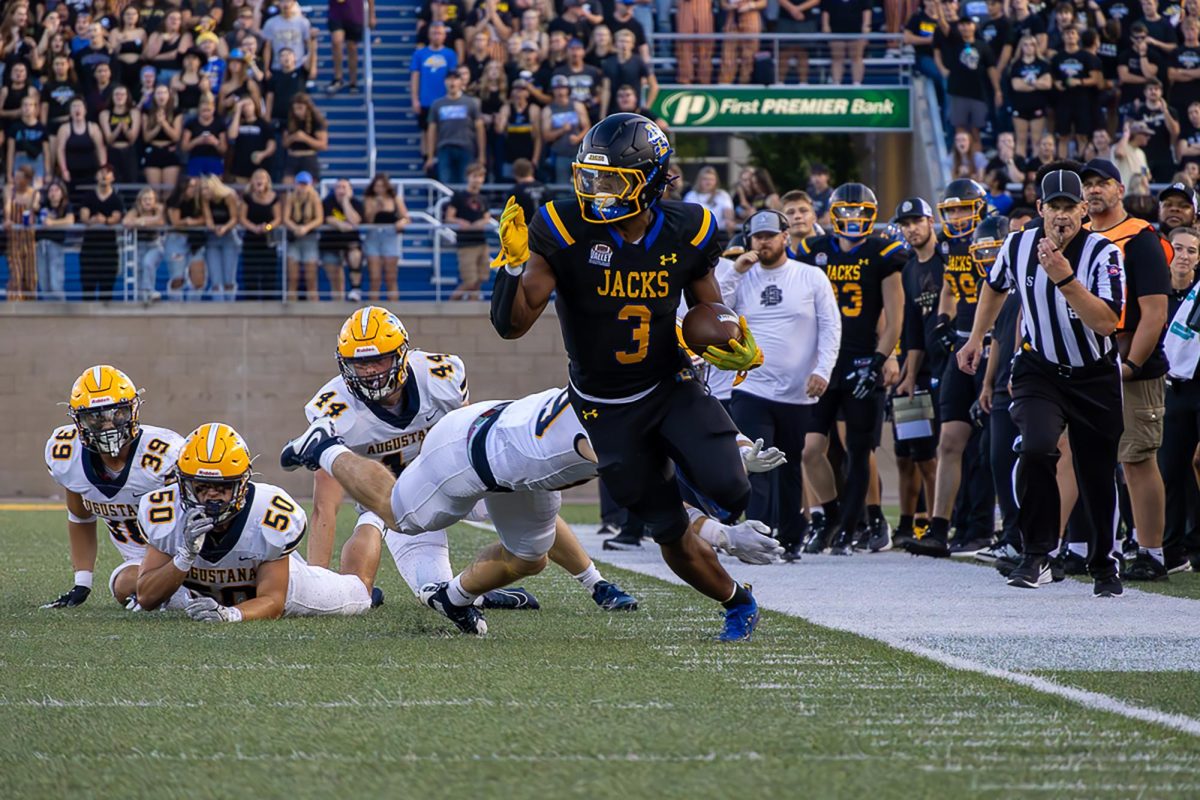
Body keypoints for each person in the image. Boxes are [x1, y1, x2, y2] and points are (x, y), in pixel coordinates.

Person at [487, 113, 767, 641]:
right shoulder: (564, 226)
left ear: (652, 179)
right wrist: (510, 266)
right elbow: (512, 327)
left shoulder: (689, 228)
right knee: (667, 530)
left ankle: (699, 472)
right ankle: (737, 601)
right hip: (603, 405)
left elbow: (711, 311)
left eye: (612, 178)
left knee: (732, 490)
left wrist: (732, 340)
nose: (597, 190)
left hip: (669, 384)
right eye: (591, 177)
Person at [293, 306, 637, 618]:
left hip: (455, 474)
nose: (369, 372)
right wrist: (318, 582)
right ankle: (467, 594)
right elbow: (325, 506)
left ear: (401, 354)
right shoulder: (333, 408)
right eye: (358, 363)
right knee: (429, 588)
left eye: (379, 360)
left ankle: (596, 582)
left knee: (523, 494)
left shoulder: (439, 376)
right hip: (395, 494)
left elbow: (468, 435)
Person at [959, 169, 1126, 596]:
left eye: (1070, 206)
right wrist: (977, 337)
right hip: (1040, 367)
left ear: (1084, 210)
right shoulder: (1016, 245)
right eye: (1054, 206)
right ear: (1041, 210)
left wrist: (1065, 280)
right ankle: (1037, 553)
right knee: (1034, 449)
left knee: (1095, 470)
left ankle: (1104, 561)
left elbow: (1107, 323)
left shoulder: (1103, 252)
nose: (1062, 215)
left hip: (1094, 372)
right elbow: (994, 286)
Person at [135, 423, 376, 620]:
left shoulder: (266, 511)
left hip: (278, 583)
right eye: (201, 486)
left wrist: (230, 615)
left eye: (222, 487)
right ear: (183, 484)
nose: (211, 495)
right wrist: (184, 555)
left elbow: (273, 602)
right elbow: (146, 598)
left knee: (359, 595)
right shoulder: (164, 510)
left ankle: (372, 518)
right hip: (209, 590)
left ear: (241, 485)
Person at [719, 210, 841, 554]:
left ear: (785, 237)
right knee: (757, 463)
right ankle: (758, 535)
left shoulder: (810, 276)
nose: (764, 242)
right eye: (758, 236)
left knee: (789, 466)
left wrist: (823, 371)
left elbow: (831, 326)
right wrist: (735, 271)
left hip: (798, 390)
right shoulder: (741, 275)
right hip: (751, 386)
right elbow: (716, 310)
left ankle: (790, 537)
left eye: (771, 235)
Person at [796, 183, 906, 556]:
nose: (853, 220)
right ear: (833, 214)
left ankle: (850, 527)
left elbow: (895, 315)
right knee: (811, 448)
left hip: (861, 358)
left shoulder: (883, 251)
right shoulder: (813, 251)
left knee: (859, 449)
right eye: (846, 212)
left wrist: (879, 359)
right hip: (824, 361)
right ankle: (828, 518)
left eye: (860, 213)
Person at [1080, 158, 1173, 581]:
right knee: (1079, 457)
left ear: (1120, 189)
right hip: (1086, 361)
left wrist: (1132, 363)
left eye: (1102, 183)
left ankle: (1152, 552)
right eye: (1088, 185)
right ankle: (1081, 545)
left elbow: (1154, 311)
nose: (1094, 191)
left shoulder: (1140, 239)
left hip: (1128, 357)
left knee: (1136, 458)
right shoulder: (1079, 238)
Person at [41, 366, 186, 609]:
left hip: (184, 553)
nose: (108, 426)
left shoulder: (165, 453)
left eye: (117, 414)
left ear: (133, 410)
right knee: (123, 585)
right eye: (95, 418)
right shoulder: (67, 456)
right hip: (139, 562)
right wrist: (82, 583)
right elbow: (80, 517)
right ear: (79, 420)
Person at [907, 178, 993, 557]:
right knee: (949, 439)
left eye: (963, 208)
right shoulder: (949, 243)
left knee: (988, 443)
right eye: (952, 209)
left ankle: (982, 527)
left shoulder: (994, 234)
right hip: (961, 344)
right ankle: (940, 527)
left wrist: (979, 333)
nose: (957, 216)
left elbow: (1001, 290)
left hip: (991, 344)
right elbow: (948, 285)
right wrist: (943, 319)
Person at [972, 213, 1025, 572]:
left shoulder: (1029, 276)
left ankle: (1030, 537)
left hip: (1028, 377)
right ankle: (1011, 536)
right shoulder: (999, 287)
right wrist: (987, 382)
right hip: (1004, 378)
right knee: (998, 460)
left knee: (1028, 462)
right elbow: (999, 337)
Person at [892, 196, 945, 548]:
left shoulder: (947, 260)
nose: (912, 229)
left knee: (942, 450)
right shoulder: (910, 268)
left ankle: (939, 521)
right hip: (921, 369)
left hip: (949, 364)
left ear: (930, 221)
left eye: (917, 221)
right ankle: (909, 523)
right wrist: (908, 376)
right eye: (905, 224)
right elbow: (911, 328)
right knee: (915, 451)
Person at [1160, 225, 1200, 572]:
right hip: (1172, 387)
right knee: (1169, 469)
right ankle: (1170, 550)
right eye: (1178, 248)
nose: (1184, 256)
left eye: (1191, 250)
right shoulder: (1153, 292)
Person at [936, 15, 1000, 141]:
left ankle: (976, 158)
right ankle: (961, 159)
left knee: (975, 132)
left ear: (974, 26)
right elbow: (943, 25)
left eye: (968, 24)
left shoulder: (983, 46)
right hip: (957, 93)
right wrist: (938, 7)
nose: (965, 27)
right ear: (958, 27)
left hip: (978, 94)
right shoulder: (954, 42)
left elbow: (991, 68)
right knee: (960, 131)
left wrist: (997, 90)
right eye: (962, 24)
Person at [426, 71, 485, 185]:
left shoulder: (471, 103)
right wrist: (430, 156)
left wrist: (482, 154)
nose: (452, 82)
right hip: (444, 148)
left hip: (466, 147)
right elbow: (432, 130)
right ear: (445, 82)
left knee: (465, 181)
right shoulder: (437, 104)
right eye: (449, 79)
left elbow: (480, 129)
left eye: (455, 79)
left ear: (460, 82)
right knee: (445, 183)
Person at [445, 162, 491, 300]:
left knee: (480, 278)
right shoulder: (458, 196)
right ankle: (450, 304)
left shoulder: (484, 198)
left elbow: (486, 217)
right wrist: (460, 222)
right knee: (469, 281)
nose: (477, 180)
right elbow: (449, 217)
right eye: (474, 176)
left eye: (480, 176)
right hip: (466, 243)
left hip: (481, 242)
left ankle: (473, 305)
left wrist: (480, 223)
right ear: (468, 177)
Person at [78, 164, 124, 300]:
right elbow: (84, 216)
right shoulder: (88, 196)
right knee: (87, 289)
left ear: (113, 177)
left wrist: (105, 220)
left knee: (107, 289)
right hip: (89, 248)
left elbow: (116, 217)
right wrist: (91, 220)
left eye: (108, 173)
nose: (104, 175)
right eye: (101, 172)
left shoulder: (117, 199)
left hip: (108, 249)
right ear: (96, 176)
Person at [363, 174, 411, 302]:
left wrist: (402, 222)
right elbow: (367, 220)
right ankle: (373, 308)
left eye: (382, 186)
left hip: (390, 236)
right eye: (377, 186)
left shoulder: (395, 198)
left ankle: (394, 308)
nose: (379, 189)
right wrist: (375, 209)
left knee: (391, 276)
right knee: (375, 277)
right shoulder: (369, 199)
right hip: (373, 235)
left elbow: (406, 217)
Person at [239, 168, 282, 300]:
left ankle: (269, 302)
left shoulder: (274, 197)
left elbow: (278, 218)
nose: (259, 180)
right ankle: (250, 302)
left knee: (269, 272)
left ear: (267, 181)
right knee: (250, 272)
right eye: (256, 177)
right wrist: (253, 228)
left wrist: (268, 227)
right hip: (251, 238)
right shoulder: (247, 198)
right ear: (252, 181)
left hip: (268, 239)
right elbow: (242, 218)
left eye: (262, 177)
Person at [1008, 34, 1052, 158]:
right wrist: (1037, 83)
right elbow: (1017, 86)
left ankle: (1035, 168)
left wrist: (1028, 82)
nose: (1028, 47)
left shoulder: (1043, 64)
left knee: (1036, 140)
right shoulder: (1016, 65)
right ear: (1021, 47)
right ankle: (1021, 166)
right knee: (1020, 139)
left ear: (1036, 46)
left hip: (1038, 105)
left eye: (1032, 44)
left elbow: (1047, 84)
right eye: (1025, 45)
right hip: (1020, 105)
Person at [165, 175, 208, 300]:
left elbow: (206, 219)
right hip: (177, 239)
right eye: (191, 186)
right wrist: (189, 222)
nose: (194, 189)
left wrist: (191, 222)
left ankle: (194, 310)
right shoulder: (174, 200)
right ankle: (176, 308)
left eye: (196, 187)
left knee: (198, 279)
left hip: (196, 240)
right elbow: (176, 223)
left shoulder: (200, 201)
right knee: (178, 278)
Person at [318, 178, 361, 301]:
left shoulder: (356, 203)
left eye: (344, 187)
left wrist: (346, 202)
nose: (341, 190)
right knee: (335, 276)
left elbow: (355, 220)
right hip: (330, 244)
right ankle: (338, 301)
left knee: (355, 256)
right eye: (338, 187)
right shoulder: (327, 202)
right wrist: (340, 225)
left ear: (350, 190)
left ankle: (355, 289)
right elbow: (327, 218)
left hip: (350, 243)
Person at [56, 97, 105, 204]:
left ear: (85, 110)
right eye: (74, 106)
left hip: (90, 171)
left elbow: (100, 148)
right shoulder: (64, 129)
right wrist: (64, 170)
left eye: (79, 106)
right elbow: (60, 150)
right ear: (70, 111)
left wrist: (102, 169)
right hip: (72, 172)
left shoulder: (93, 127)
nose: (77, 109)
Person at [411, 22, 458, 132]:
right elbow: (415, 77)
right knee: (425, 131)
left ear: (444, 35)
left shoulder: (450, 54)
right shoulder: (419, 54)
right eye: (434, 33)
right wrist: (415, 99)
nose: (437, 36)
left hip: (444, 99)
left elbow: (453, 78)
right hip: (425, 100)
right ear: (429, 35)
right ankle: (426, 150)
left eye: (440, 33)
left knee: (443, 131)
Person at [284, 171, 324, 301]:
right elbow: (286, 218)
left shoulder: (315, 198)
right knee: (293, 278)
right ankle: (291, 308)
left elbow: (319, 218)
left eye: (305, 184)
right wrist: (296, 228)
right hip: (294, 239)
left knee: (311, 278)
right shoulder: (291, 198)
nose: (302, 187)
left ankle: (314, 308)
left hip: (310, 239)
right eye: (300, 184)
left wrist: (306, 228)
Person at [202, 175, 241, 302]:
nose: (204, 192)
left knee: (229, 278)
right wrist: (213, 228)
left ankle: (230, 305)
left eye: (207, 188)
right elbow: (208, 219)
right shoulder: (205, 200)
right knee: (215, 279)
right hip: (212, 238)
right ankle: (217, 305)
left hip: (229, 237)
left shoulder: (228, 196)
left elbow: (234, 218)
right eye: (202, 189)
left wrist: (224, 228)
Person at [123, 187, 166, 301]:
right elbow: (126, 222)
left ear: (155, 200)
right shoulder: (135, 210)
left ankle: (149, 291)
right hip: (138, 245)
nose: (148, 202)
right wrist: (149, 221)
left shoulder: (159, 209)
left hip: (155, 245)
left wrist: (140, 221)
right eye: (145, 199)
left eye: (150, 199)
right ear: (140, 201)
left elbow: (161, 221)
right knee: (139, 271)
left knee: (148, 263)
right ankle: (142, 299)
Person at [36, 179, 74, 301]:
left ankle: (60, 314)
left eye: (56, 190)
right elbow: (32, 207)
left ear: (62, 192)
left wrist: (53, 223)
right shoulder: (43, 205)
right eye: (51, 190)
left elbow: (69, 220)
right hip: (41, 245)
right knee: (43, 281)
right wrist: (36, 191)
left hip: (55, 245)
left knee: (55, 281)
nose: (53, 193)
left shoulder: (67, 206)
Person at [495, 78, 540, 180]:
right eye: (516, 89)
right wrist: (499, 120)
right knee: (508, 184)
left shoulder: (533, 109)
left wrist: (535, 158)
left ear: (528, 93)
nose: (519, 92)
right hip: (510, 156)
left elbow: (537, 137)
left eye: (522, 89)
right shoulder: (506, 108)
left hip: (527, 155)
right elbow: (500, 130)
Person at [5, 165, 38, 301]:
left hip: (29, 239)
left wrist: (32, 209)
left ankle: (30, 307)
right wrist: (7, 219)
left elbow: (33, 208)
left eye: (20, 177)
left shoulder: (34, 192)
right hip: (14, 238)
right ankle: (14, 306)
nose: (16, 180)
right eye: (15, 177)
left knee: (30, 276)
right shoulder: (9, 190)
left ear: (27, 179)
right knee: (16, 275)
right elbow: (7, 206)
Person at [262, 0, 317, 80]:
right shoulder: (270, 23)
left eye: (288, 1)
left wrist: (313, 67)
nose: (286, 4)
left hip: (298, 67)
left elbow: (310, 47)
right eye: (283, 1)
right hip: (277, 67)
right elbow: (267, 48)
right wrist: (266, 69)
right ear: (279, 4)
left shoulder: (303, 22)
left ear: (294, 3)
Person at [822, 0, 872, 86]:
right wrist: (826, 26)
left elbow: (867, 10)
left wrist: (866, 26)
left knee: (856, 58)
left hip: (856, 31)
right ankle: (836, 84)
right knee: (837, 58)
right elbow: (825, 11)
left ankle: (857, 83)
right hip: (836, 32)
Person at [327, 0, 373, 93]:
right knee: (337, 42)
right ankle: (338, 78)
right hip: (336, 12)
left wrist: (371, 15)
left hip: (354, 13)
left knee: (352, 47)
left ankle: (353, 81)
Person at [282, 93, 328, 182]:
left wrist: (305, 138)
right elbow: (285, 143)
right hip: (292, 157)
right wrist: (293, 138)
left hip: (308, 157)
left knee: (309, 187)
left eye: (300, 108)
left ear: (307, 107)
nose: (297, 112)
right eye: (295, 109)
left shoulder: (317, 122)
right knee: (286, 187)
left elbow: (323, 145)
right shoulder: (290, 121)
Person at [227, 97, 275, 184]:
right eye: (243, 106)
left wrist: (263, 154)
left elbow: (271, 144)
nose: (246, 108)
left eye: (249, 104)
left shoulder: (263, 124)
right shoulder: (238, 123)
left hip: (258, 167)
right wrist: (237, 111)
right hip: (240, 167)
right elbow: (232, 135)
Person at [99, 85, 140, 184]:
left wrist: (125, 129)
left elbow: (133, 138)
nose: (119, 97)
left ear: (127, 97)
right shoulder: (105, 114)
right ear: (112, 97)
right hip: (112, 152)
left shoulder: (134, 112)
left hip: (128, 151)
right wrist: (118, 128)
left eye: (122, 94)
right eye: (117, 94)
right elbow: (109, 139)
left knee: (131, 181)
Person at [683, 166, 736, 241]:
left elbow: (728, 212)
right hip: (697, 234)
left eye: (711, 179)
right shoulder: (691, 196)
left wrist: (729, 220)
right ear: (699, 180)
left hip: (719, 233)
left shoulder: (722, 195)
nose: (708, 182)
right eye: (705, 179)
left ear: (716, 181)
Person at [182, 95, 227, 177]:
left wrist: (215, 142)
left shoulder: (219, 124)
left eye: (208, 110)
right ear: (199, 110)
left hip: (214, 158)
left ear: (213, 109)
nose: (206, 113)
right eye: (204, 110)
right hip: (196, 158)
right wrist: (197, 141)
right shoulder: (191, 123)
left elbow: (224, 149)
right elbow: (184, 147)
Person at [780, 0, 823, 83]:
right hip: (785, 19)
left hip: (806, 20)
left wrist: (798, 9)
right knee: (784, 52)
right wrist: (792, 9)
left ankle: (803, 84)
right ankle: (779, 84)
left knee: (803, 53)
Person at [675, 0, 715, 84]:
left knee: (705, 45)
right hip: (685, 6)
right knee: (684, 44)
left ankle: (704, 82)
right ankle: (685, 81)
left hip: (703, 5)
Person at [781, 189, 819, 257]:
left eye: (803, 211)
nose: (797, 216)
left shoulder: (833, 251)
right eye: (790, 212)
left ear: (814, 217)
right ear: (783, 221)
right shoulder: (778, 260)